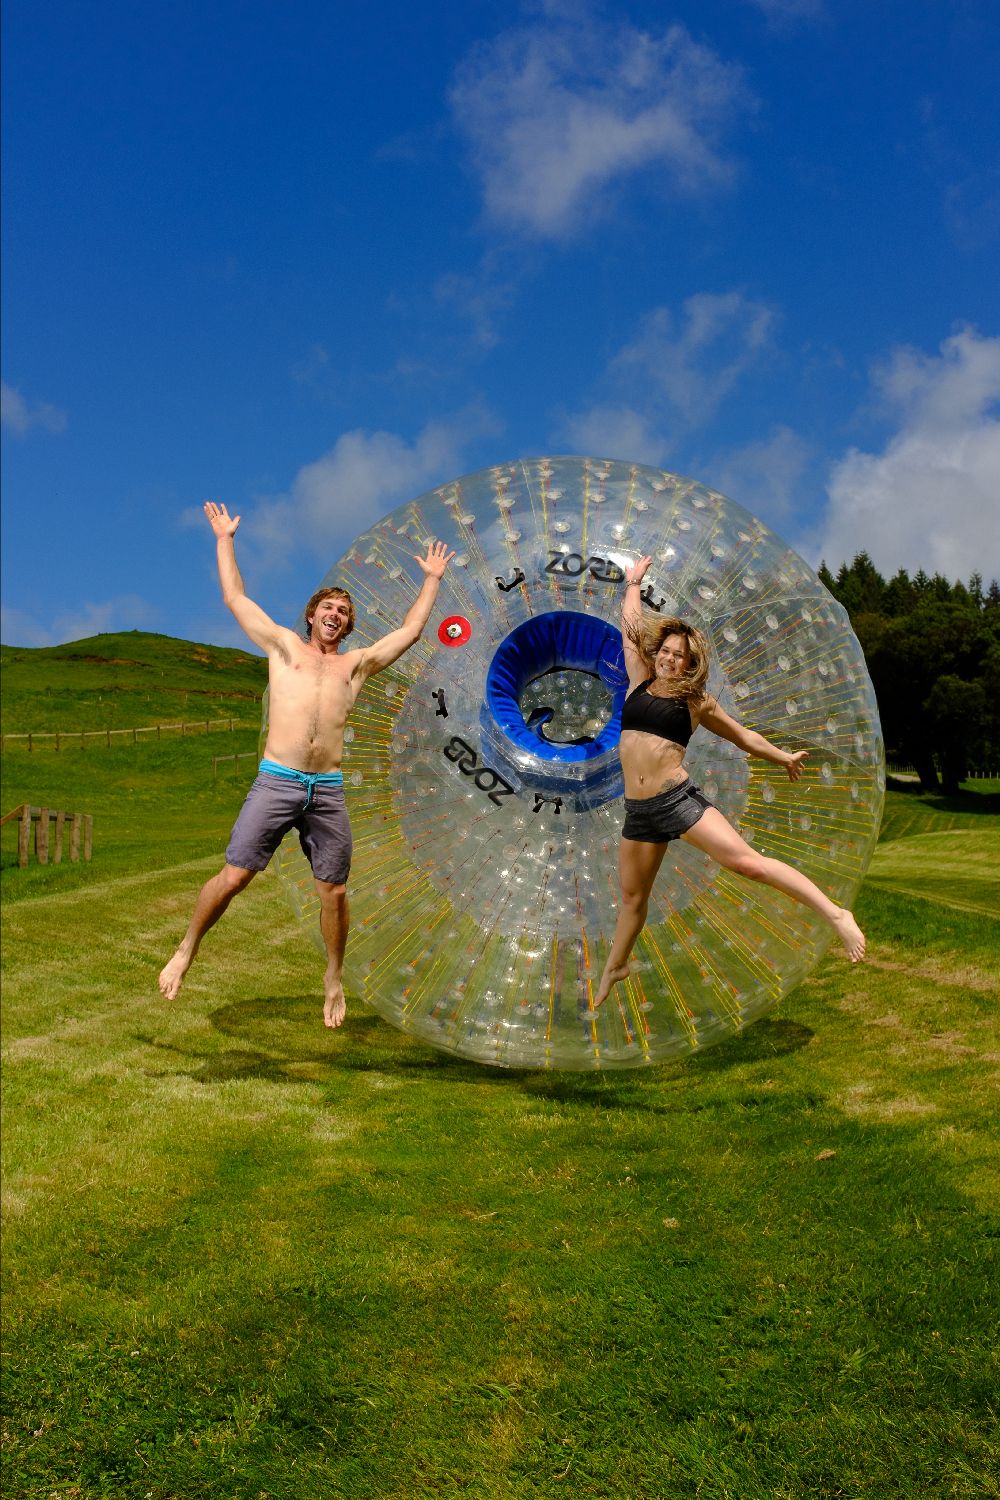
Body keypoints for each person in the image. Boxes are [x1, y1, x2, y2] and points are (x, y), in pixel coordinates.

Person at [158, 500, 454, 1028]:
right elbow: (235, 597)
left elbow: (407, 633)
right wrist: (225, 538)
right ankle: (186, 948)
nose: (335, 616)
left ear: (347, 625)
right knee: (234, 877)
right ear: (313, 614)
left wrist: (431, 579)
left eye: (343, 612)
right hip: (278, 780)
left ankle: (333, 976)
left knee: (335, 891)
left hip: (328, 788)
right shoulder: (283, 647)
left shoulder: (355, 666)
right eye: (328, 609)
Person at [593, 555, 865, 1009]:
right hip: (638, 811)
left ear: (688, 664)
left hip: (675, 801)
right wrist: (633, 583)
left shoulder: (696, 702)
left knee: (747, 863)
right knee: (633, 898)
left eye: (679, 656)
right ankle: (616, 966)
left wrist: (782, 757)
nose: (669, 658)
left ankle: (837, 914)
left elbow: (744, 736)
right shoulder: (638, 681)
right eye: (665, 650)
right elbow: (629, 626)